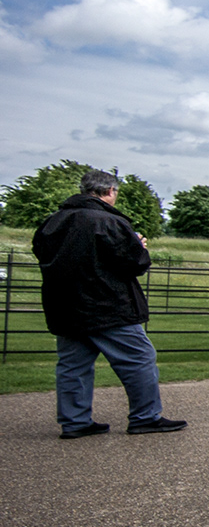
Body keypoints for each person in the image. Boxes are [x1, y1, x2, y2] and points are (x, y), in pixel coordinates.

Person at [32, 169, 186, 436]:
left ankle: (75, 421)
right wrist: (140, 246)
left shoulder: (52, 223)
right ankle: (145, 416)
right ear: (110, 191)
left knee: (72, 366)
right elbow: (135, 263)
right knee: (139, 357)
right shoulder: (108, 221)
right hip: (107, 305)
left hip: (64, 305)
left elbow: (42, 254)